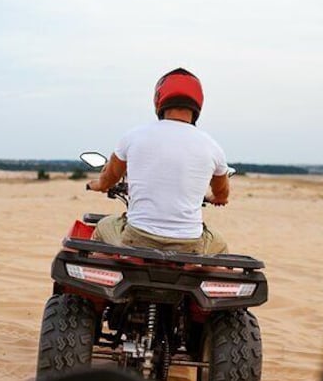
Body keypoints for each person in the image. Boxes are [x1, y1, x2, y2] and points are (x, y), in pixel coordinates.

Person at [87, 67, 231, 255]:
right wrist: (218, 198)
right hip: (189, 244)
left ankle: (106, 280)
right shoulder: (212, 147)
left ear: (159, 100)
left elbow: (110, 176)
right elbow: (222, 190)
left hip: (137, 238)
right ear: (198, 104)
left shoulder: (133, 136)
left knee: (102, 226)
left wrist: (98, 185)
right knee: (220, 246)